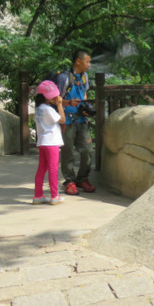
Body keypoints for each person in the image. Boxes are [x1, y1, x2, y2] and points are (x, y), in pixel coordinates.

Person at [55, 49, 96, 196]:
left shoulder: (84, 76)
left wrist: (85, 107)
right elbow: (55, 99)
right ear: (78, 61)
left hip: (82, 119)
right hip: (67, 120)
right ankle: (69, 181)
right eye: (87, 61)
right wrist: (68, 103)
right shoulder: (64, 78)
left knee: (88, 150)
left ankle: (82, 179)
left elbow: (84, 93)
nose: (89, 65)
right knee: (67, 152)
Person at [33, 80, 66, 205]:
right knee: (53, 169)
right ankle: (54, 195)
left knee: (42, 169)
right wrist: (59, 105)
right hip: (51, 142)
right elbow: (62, 119)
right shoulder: (48, 109)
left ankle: (38, 195)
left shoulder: (39, 108)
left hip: (42, 142)